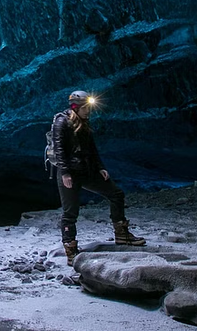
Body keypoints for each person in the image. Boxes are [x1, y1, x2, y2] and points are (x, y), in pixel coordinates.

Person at [53, 90, 145, 265]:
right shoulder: (61, 122)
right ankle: (71, 250)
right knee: (70, 213)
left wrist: (100, 168)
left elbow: (91, 148)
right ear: (75, 107)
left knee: (116, 194)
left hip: (86, 171)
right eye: (85, 108)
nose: (88, 111)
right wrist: (65, 173)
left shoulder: (84, 123)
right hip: (70, 173)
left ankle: (122, 234)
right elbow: (59, 149)